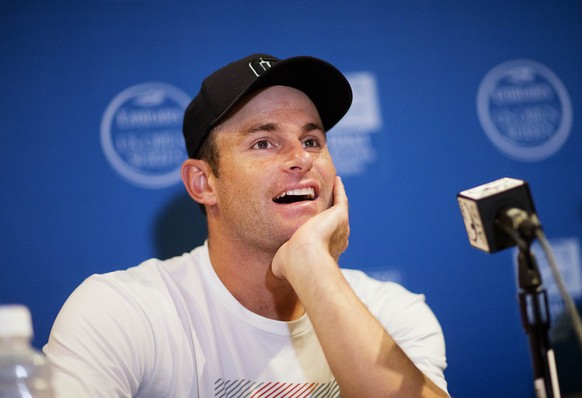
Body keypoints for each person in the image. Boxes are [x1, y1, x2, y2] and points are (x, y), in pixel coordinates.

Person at [44, 53, 449, 397]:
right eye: (263, 143)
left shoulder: (390, 312)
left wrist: (314, 267)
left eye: (312, 141)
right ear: (203, 184)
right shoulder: (121, 311)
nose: (301, 159)